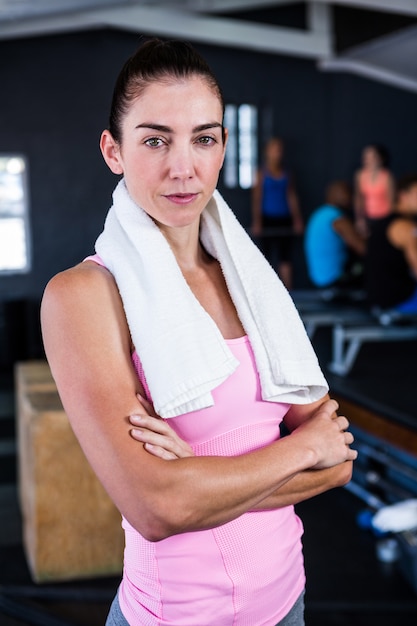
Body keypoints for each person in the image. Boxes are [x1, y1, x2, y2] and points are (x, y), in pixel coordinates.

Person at [40, 38, 356, 626]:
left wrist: (199, 478)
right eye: (155, 139)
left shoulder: (250, 283)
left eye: (203, 138)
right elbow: (158, 509)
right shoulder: (83, 296)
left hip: (288, 602)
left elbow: (339, 463)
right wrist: (301, 449)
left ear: (223, 147)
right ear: (113, 150)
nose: (182, 167)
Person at [251, 137, 303, 289]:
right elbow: (257, 197)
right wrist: (257, 221)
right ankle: (267, 293)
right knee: (265, 257)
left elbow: (291, 196)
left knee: (285, 257)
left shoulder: (287, 172)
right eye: (274, 149)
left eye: (279, 150)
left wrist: (297, 219)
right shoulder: (262, 173)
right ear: (267, 152)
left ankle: (288, 295)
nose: (277, 153)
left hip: (284, 218)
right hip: (267, 219)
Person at [365, 173, 417, 314]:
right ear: (403, 195)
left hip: (379, 298)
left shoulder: (384, 222)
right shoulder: (406, 227)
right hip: (399, 300)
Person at [304, 180, 366, 291]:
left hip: (317, 279)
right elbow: (361, 248)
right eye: (347, 193)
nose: (350, 198)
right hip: (333, 280)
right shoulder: (337, 218)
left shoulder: (320, 213)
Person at [354, 143, 395, 237]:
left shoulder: (387, 176)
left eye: (372, 157)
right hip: (367, 218)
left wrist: (389, 222)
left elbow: (391, 202)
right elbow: (358, 198)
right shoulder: (360, 175)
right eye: (366, 157)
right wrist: (359, 219)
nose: (368, 160)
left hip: (384, 218)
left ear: (381, 158)